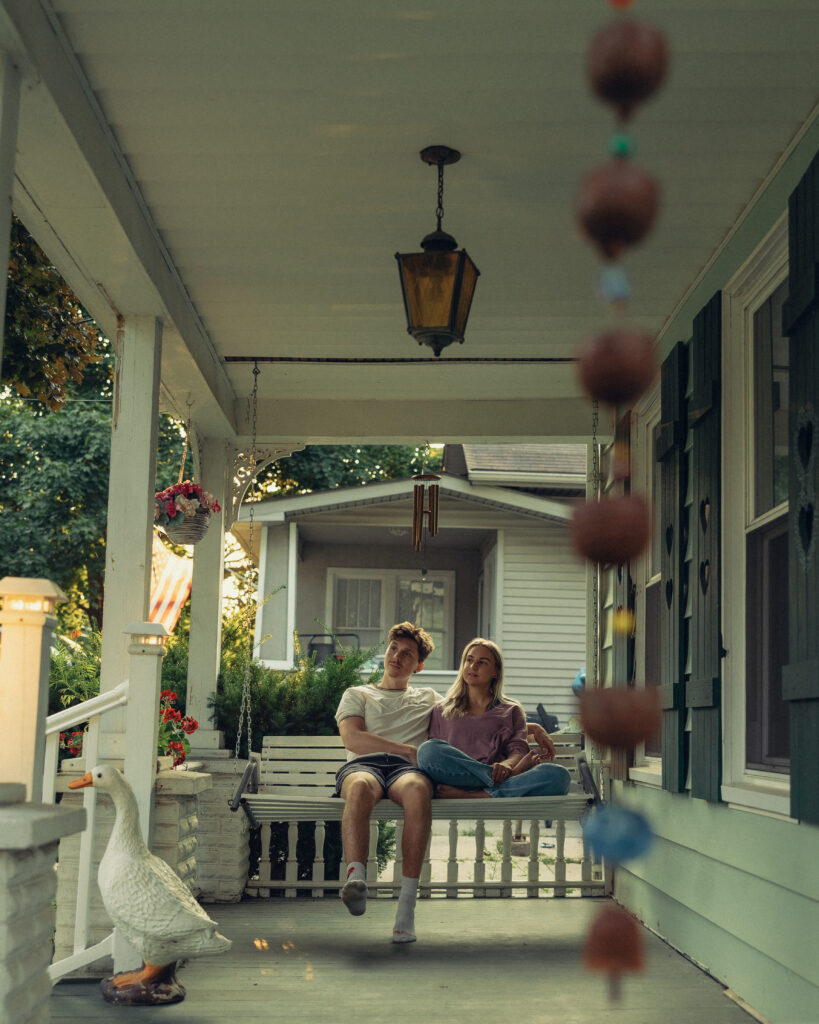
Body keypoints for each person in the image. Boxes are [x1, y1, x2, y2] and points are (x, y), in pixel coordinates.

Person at [334, 621, 438, 944]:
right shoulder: (358, 694)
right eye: (393, 649)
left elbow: (474, 716)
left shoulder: (430, 698)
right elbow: (353, 739)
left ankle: (406, 909)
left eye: (407, 654)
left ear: (418, 666)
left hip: (406, 774)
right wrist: (406, 749)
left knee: (420, 790)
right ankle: (356, 879)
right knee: (362, 786)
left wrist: (528, 728)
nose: (396, 656)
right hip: (364, 766)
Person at [416, 638, 572, 799]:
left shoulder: (511, 710)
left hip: (487, 783)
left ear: (495, 672)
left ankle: (478, 794)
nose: (473, 666)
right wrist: (512, 772)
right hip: (456, 779)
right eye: (469, 660)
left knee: (559, 776)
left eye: (482, 662)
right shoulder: (442, 709)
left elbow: (517, 751)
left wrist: (506, 765)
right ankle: (491, 782)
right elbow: (435, 757)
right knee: (427, 751)